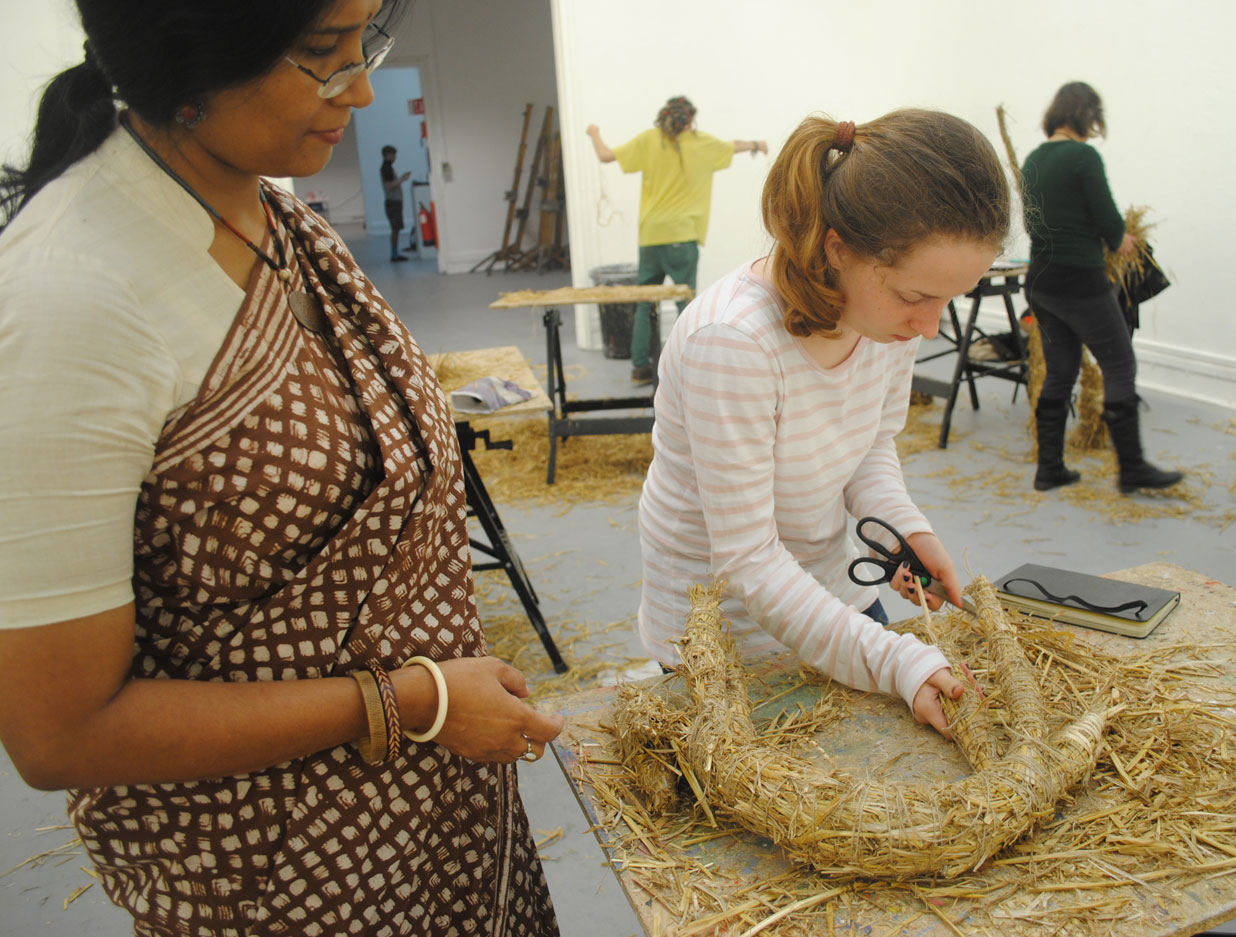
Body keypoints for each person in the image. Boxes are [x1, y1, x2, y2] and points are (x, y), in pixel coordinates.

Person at [0, 2, 564, 935]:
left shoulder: (268, 206)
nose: (364, 87)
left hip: (434, 819)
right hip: (284, 872)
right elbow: (61, 730)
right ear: (187, 55)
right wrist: (409, 699)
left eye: (364, 44)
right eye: (318, 55)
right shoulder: (72, 302)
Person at [637, 110, 1012, 736]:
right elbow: (749, 559)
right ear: (837, 248)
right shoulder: (731, 343)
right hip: (725, 636)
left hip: (830, 592)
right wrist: (895, 660)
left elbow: (868, 447)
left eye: (950, 298)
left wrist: (903, 532)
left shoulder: (887, 318)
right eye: (917, 297)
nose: (930, 326)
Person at [1020, 81, 1182, 494]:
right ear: (1085, 116)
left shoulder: (1034, 159)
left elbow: (1034, 222)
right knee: (1120, 366)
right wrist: (1121, 240)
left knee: (1060, 373)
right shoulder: (1083, 156)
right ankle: (1131, 469)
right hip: (1081, 280)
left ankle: (1049, 469)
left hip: (1041, 279)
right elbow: (1110, 221)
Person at [586, 96, 767, 383]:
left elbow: (605, 156)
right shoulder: (701, 142)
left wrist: (594, 133)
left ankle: (639, 368)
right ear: (691, 120)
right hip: (682, 237)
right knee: (687, 304)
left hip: (650, 237)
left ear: (664, 117)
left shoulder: (650, 139)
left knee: (645, 301)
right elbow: (733, 146)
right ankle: (692, 365)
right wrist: (757, 144)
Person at [380, 143, 411, 260]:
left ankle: (395, 253)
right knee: (395, 229)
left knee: (396, 229)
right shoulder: (386, 169)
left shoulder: (388, 168)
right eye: (393, 155)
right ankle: (394, 254)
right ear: (388, 155)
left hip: (394, 202)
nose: (395, 157)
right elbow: (389, 185)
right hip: (393, 203)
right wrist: (402, 179)